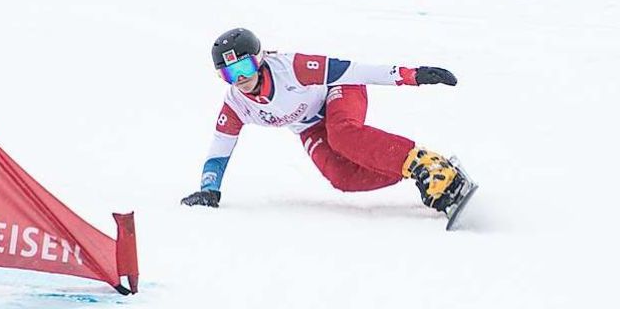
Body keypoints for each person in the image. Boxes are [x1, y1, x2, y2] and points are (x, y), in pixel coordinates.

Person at [181, 27, 474, 219]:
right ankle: (424, 174)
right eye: (229, 74)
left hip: (340, 89)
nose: (240, 79)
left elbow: (354, 70)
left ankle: (427, 163)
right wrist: (209, 190)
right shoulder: (236, 104)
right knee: (341, 177)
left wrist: (413, 75)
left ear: (260, 60)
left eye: (244, 67)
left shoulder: (292, 68)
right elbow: (220, 148)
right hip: (308, 125)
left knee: (343, 135)